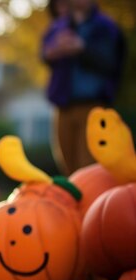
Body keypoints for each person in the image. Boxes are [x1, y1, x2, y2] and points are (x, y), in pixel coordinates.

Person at [42, 0, 125, 175]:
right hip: (63, 105)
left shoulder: (105, 26)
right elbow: (45, 54)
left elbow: (111, 63)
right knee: (68, 166)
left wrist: (82, 49)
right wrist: (54, 51)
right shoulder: (60, 25)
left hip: (93, 105)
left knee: (89, 167)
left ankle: (92, 202)